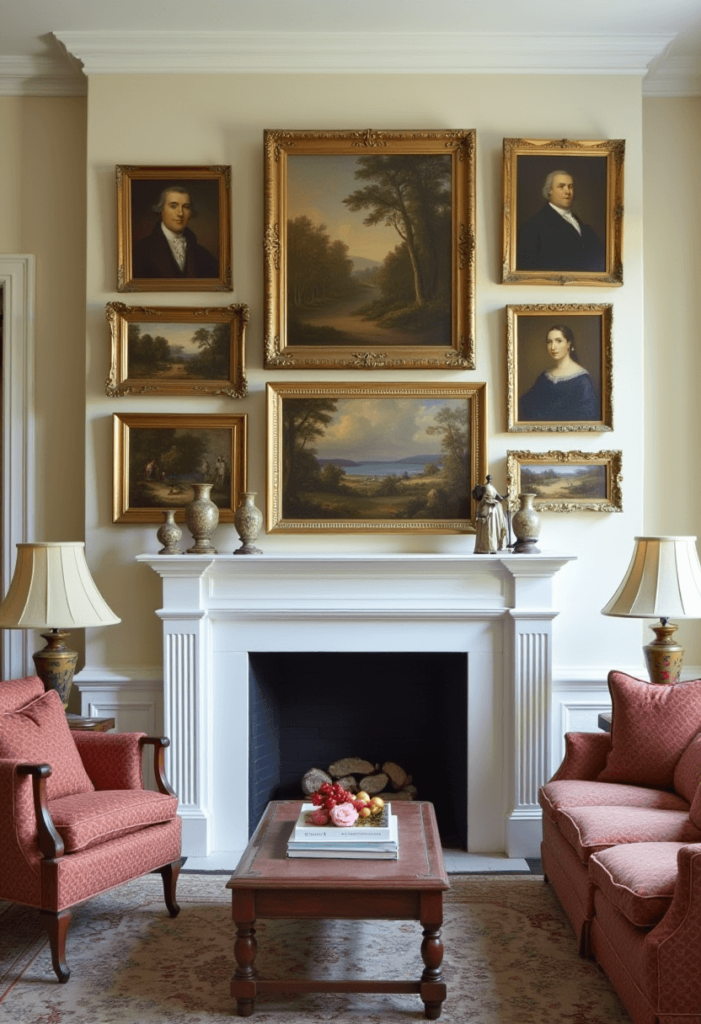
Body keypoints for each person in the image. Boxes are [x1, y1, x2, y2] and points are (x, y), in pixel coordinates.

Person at [516, 170, 605, 272]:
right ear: (550, 190)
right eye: (561, 187)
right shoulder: (534, 226)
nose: (567, 191)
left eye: (570, 187)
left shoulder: (584, 227)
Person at [132, 186, 219, 279]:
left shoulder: (204, 255)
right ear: (161, 210)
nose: (180, 213)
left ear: (190, 212)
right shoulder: (141, 250)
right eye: (173, 206)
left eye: (186, 207)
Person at [518, 324, 599, 423]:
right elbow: (525, 405)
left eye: (558, 341)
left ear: (569, 344)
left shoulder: (582, 380)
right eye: (549, 342)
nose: (553, 347)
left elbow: (587, 418)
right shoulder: (545, 377)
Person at [472, 476, 508, 554]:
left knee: (493, 526)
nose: (490, 480)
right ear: (487, 479)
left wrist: (507, 495)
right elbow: (480, 497)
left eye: (491, 479)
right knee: (487, 526)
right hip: (487, 507)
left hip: (494, 508)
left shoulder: (492, 487)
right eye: (489, 478)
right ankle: (484, 547)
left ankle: (492, 546)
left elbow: (499, 497)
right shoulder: (484, 487)